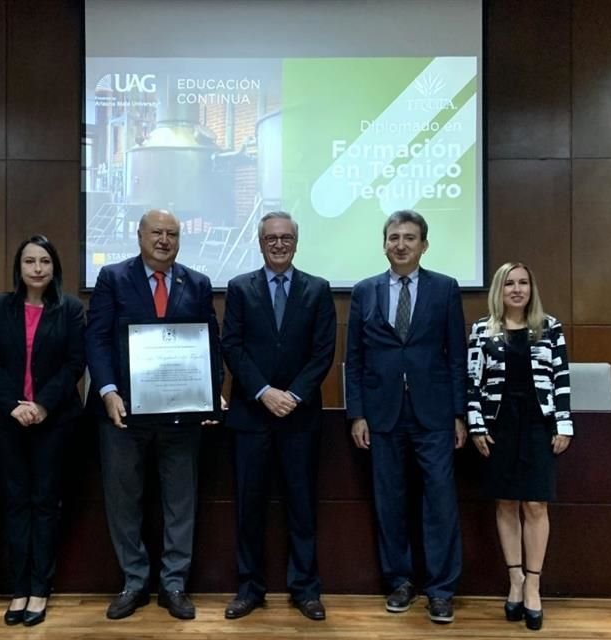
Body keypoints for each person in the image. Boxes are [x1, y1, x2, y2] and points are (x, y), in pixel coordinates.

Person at [85, 209, 223, 621]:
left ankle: (174, 583)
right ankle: (133, 580)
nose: (164, 240)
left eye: (172, 234)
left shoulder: (196, 283)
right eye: (156, 232)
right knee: (123, 500)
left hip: (181, 414)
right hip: (122, 413)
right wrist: (108, 390)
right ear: (139, 235)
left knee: (181, 501)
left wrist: (211, 395)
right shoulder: (113, 277)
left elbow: (209, 341)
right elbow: (96, 338)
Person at [345, 210, 467, 624]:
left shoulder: (446, 289)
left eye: (409, 238)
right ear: (384, 244)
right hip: (381, 416)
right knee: (390, 502)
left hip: (434, 416)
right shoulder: (365, 291)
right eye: (393, 237)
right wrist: (357, 414)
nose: (400, 244)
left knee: (440, 503)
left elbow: (456, 358)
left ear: (424, 245)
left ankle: (440, 590)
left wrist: (459, 413)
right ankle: (399, 581)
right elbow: (355, 360)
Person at [221, 211, 336, 621]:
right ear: (259, 241)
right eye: (271, 237)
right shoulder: (239, 288)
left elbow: (324, 351)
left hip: (300, 417)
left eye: (286, 237)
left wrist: (294, 395)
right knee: (249, 507)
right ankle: (249, 589)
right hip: (251, 415)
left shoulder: (318, 289)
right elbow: (231, 346)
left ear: (297, 241)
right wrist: (264, 392)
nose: (279, 244)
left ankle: (305, 590)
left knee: (302, 507)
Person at [0, 235, 86, 627]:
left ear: (54, 266)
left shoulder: (71, 309)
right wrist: (14, 406)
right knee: (15, 504)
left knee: (45, 504)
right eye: (29, 262)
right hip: (7, 423)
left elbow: (75, 364)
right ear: (18, 268)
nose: (37, 268)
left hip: (55, 422)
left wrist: (41, 405)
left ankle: (40, 590)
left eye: (44, 261)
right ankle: (18, 589)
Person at [467, 262, 573, 632]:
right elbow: (472, 385)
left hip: (538, 424)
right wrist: (477, 426)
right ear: (500, 289)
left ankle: (534, 584)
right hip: (499, 425)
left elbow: (561, 378)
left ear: (531, 288)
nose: (517, 289)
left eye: (523, 282)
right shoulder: (482, 329)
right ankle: (514, 578)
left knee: (535, 502)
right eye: (509, 283)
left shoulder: (550, 327)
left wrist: (564, 424)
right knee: (507, 501)